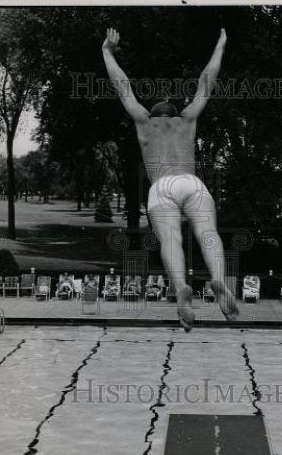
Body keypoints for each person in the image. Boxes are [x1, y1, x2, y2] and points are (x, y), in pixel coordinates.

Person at [102, 27, 239, 331]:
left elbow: (123, 86)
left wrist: (107, 52)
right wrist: (220, 45)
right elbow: (207, 80)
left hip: (162, 187)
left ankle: (180, 289)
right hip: (192, 183)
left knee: (171, 240)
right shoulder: (187, 120)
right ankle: (218, 278)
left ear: (153, 113)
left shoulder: (144, 122)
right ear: (175, 113)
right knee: (209, 234)